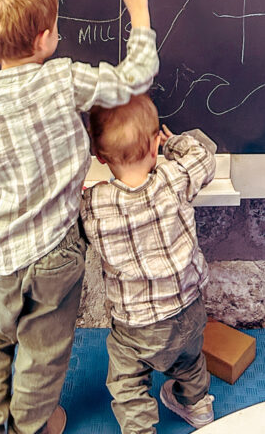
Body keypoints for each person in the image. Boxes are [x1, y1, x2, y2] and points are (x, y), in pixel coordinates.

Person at [0, 0, 158, 434]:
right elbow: (134, 80)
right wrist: (140, 18)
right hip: (54, 249)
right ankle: (33, 425)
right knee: (42, 349)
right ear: (45, 38)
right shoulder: (64, 80)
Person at [80, 94, 217, 433]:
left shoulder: (93, 204)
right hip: (188, 306)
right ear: (155, 144)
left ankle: (140, 429)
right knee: (189, 360)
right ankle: (197, 407)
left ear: (98, 156)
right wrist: (174, 145)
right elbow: (203, 157)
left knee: (128, 380)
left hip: (136, 325)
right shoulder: (173, 179)